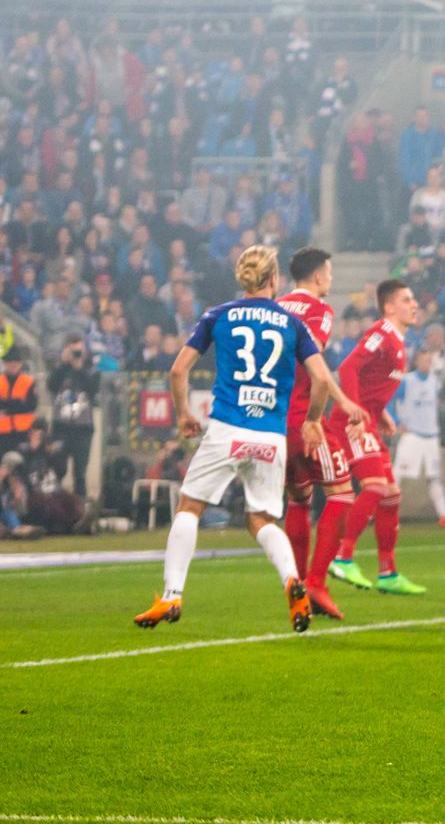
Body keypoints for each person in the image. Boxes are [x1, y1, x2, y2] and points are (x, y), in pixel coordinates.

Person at [134, 246, 341, 632]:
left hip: (227, 427)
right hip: (270, 436)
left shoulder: (219, 315)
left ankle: (171, 596)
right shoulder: (292, 323)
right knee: (262, 519)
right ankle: (292, 582)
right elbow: (323, 380)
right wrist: (313, 420)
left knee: (189, 507)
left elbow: (179, 372)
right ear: (273, 279)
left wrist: (184, 414)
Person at [318, 278, 426, 596]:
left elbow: (371, 382)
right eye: (407, 299)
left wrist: (383, 413)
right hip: (352, 424)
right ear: (390, 307)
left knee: (391, 495)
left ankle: (388, 573)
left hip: (369, 422)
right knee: (376, 487)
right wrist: (353, 409)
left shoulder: (397, 341)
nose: (415, 304)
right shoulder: (381, 333)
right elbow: (349, 368)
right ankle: (342, 556)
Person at [276, 247, 369, 618]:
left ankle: (297, 586)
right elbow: (315, 367)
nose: (330, 279)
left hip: (273, 422)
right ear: (317, 277)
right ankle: (315, 583)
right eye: (329, 273)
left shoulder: (275, 306)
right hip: (303, 416)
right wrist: (335, 407)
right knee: (342, 492)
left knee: (299, 498)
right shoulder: (320, 311)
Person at [394, 348, 445, 529]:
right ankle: (387, 515)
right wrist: (398, 421)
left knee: (434, 477)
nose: (426, 364)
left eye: (429, 360)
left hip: (431, 436)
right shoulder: (406, 381)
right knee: (397, 476)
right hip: (412, 435)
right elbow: (388, 401)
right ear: (416, 362)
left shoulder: (434, 382)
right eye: (423, 360)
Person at [46, 334, 99, 495]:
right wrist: (63, 364)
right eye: (72, 350)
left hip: (83, 429)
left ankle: (80, 509)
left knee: (80, 473)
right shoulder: (60, 370)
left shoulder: (91, 370)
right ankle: (57, 507)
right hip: (61, 428)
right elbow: (51, 385)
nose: (75, 354)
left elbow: (93, 391)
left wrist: (79, 367)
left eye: (78, 350)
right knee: (57, 470)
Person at [0, 348, 37, 459]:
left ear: (20, 363)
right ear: (5, 364)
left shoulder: (28, 381)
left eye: (16, 362)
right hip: (3, 433)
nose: (13, 365)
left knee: (23, 463)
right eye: (10, 362)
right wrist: (18, 403)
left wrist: (6, 406)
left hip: (23, 432)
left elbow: (31, 405)